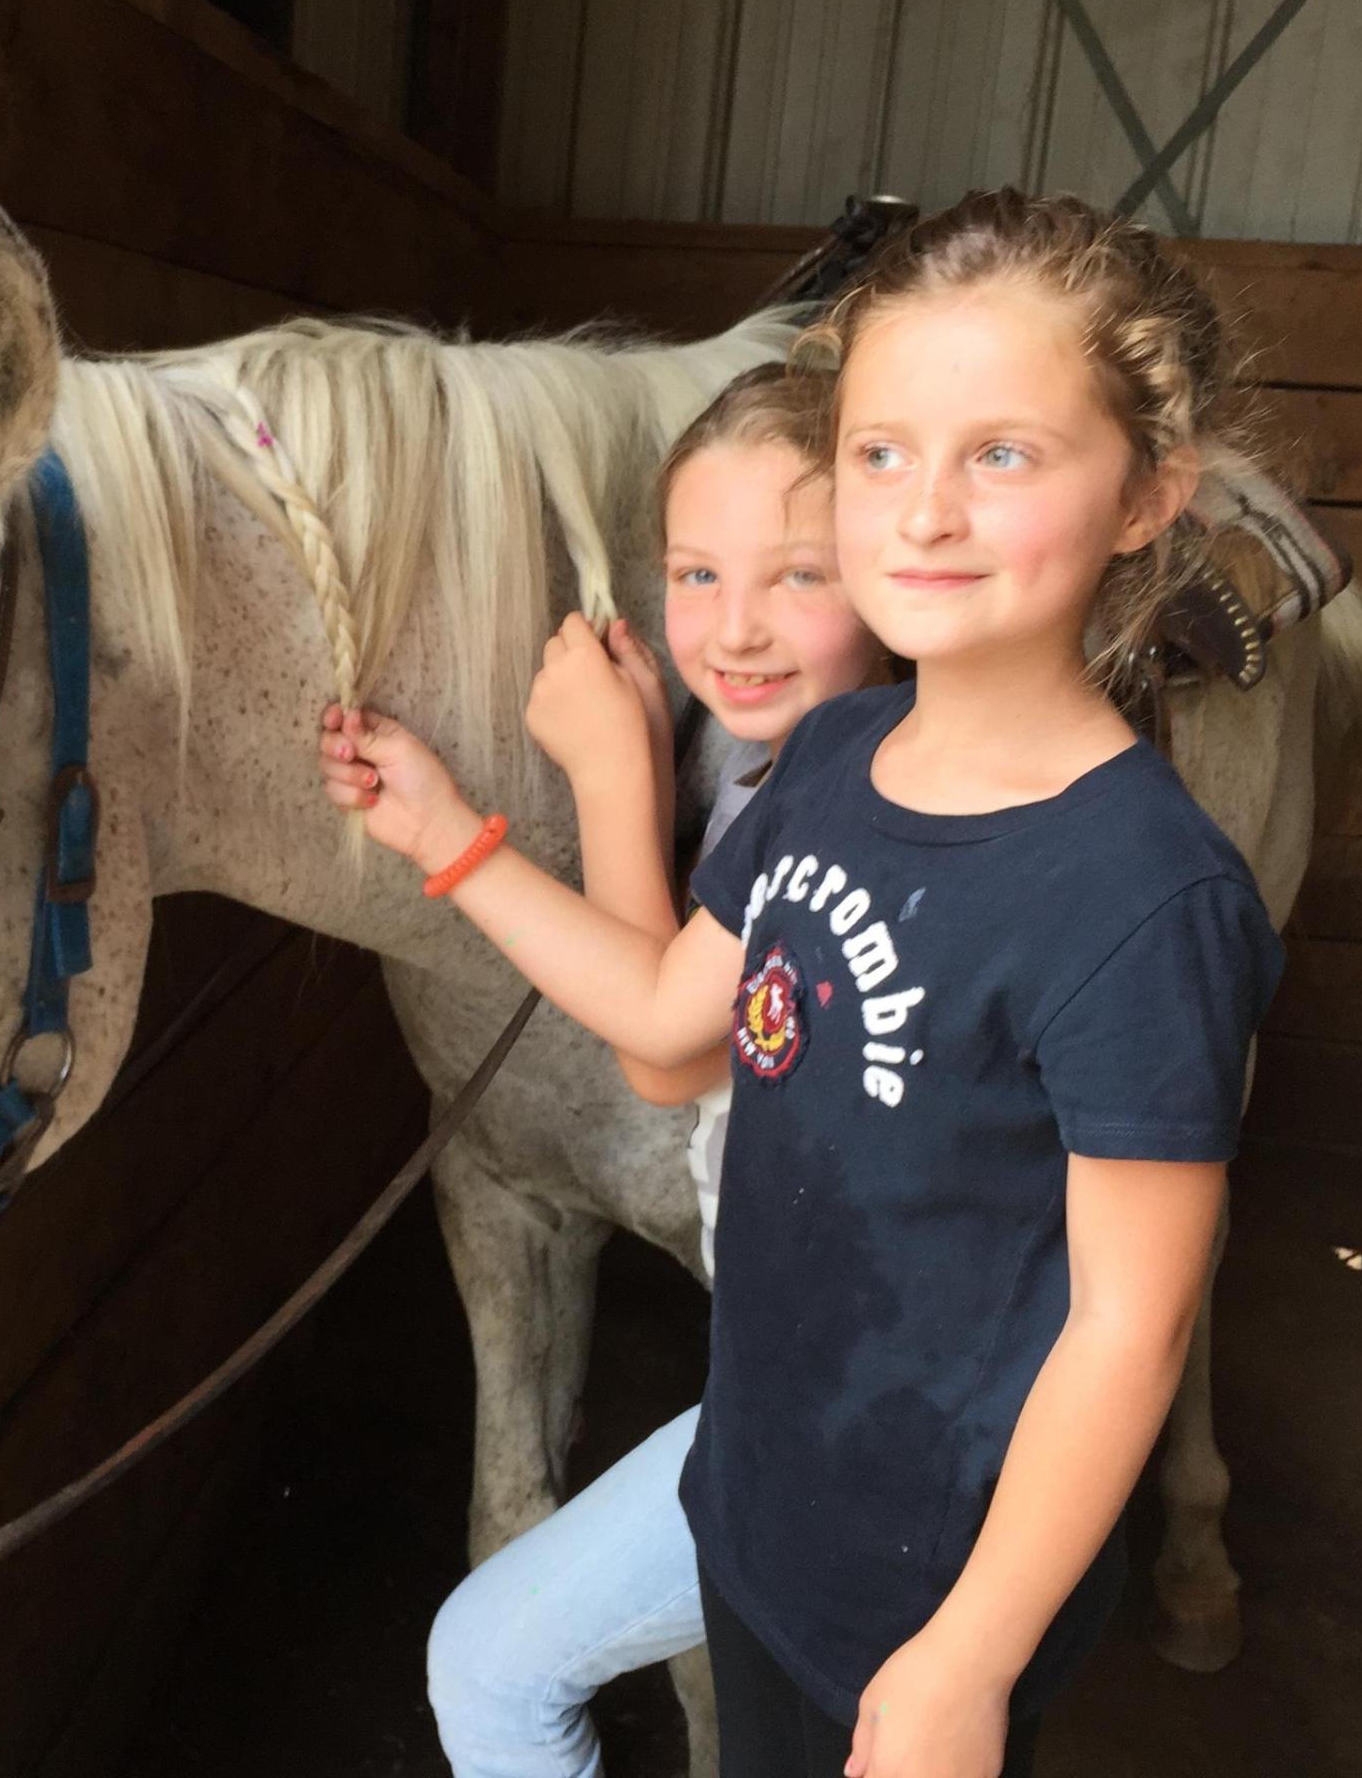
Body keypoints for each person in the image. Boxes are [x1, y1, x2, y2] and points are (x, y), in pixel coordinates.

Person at [319, 189, 1283, 1777]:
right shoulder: (832, 760)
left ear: (1147, 493)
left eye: (1005, 455)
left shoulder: (1142, 899)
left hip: (921, 1581)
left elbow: (1131, 1320)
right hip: (758, 1480)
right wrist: (448, 836)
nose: (921, 514)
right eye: (883, 453)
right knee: (490, 1657)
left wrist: (968, 1661)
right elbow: (661, 1019)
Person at [422, 359, 881, 1778]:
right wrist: (452, 824)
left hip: (867, 1424)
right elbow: (676, 1051)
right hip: (789, 1393)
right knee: (491, 1661)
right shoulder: (766, 780)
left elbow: (664, 1049)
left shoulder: (839, 801)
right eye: (694, 571)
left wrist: (609, 786)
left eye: (800, 575)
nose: (734, 629)